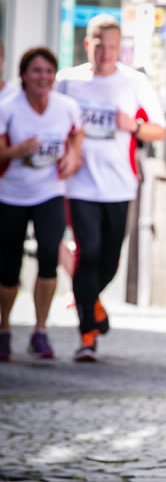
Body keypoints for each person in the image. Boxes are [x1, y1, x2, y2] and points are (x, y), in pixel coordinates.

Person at [56, 14, 166, 362]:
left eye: (112, 47)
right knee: (87, 253)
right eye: (99, 46)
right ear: (87, 44)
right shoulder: (67, 80)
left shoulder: (134, 81)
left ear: (121, 49)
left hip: (120, 185)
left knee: (109, 262)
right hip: (80, 183)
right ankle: (87, 334)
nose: (105, 53)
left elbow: (159, 129)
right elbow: (54, 122)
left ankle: (92, 303)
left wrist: (133, 126)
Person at [0, 48, 83, 361]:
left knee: (49, 254)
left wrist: (73, 156)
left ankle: (40, 330)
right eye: (36, 71)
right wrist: (16, 151)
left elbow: (77, 135)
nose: (43, 77)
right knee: (9, 267)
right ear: (23, 75)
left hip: (50, 192)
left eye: (49, 71)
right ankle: (4, 328)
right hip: (11, 194)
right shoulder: (8, 108)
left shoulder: (66, 107)